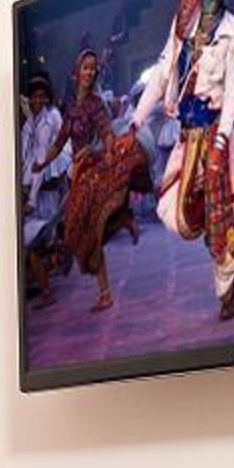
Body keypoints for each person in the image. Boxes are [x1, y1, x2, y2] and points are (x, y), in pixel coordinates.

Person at [131, 0, 234, 319]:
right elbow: (162, 73)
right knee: (179, 213)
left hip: (215, 133)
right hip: (187, 136)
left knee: (224, 215)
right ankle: (216, 249)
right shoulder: (184, 22)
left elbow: (232, 90)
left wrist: (221, 142)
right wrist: (136, 121)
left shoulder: (233, 31)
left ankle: (227, 289)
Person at [54, 49, 144, 311]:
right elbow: (59, 142)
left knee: (85, 232)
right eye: (85, 67)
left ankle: (105, 293)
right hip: (77, 175)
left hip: (92, 172)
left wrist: (96, 151)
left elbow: (106, 136)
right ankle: (122, 220)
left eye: (93, 68)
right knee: (83, 233)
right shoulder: (71, 107)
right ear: (76, 72)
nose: (89, 72)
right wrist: (40, 164)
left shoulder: (96, 104)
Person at [17, 71, 68, 299]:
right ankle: (51, 260)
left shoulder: (48, 120)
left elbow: (40, 161)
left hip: (46, 180)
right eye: (33, 96)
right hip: (34, 183)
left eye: (41, 96)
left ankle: (54, 261)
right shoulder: (29, 123)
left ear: (46, 97)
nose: (37, 100)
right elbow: (24, 156)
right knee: (40, 236)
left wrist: (30, 198)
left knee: (41, 237)